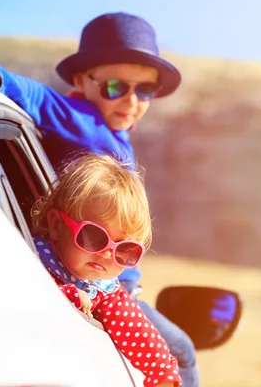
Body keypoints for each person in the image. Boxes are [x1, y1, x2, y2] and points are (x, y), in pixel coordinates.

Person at [0, 12, 199, 387]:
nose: (131, 101)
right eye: (116, 87)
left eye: (144, 90)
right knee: (181, 349)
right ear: (84, 81)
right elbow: (41, 99)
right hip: (108, 286)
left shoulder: (119, 136)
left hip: (107, 271)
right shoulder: (82, 118)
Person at [30, 153, 180, 387]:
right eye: (94, 236)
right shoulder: (30, 257)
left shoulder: (105, 290)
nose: (107, 253)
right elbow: (18, 286)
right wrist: (64, 294)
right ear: (56, 225)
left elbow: (145, 343)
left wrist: (163, 376)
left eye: (125, 249)